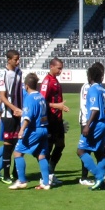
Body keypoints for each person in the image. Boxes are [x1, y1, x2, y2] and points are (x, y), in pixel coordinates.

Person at [9, 73, 52, 190]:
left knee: (17, 153)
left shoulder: (29, 98)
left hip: (33, 130)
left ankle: (22, 181)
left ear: (26, 86)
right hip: (43, 129)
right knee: (41, 155)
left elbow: (28, 117)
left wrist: (22, 130)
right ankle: (46, 183)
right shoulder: (41, 97)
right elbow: (37, 113)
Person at [76, 62, 105, 191]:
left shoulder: (92, 89)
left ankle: (98, 176)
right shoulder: (104, 90)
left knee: (80, 151)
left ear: (90, 76)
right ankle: (101, 181)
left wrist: (87, 125)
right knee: (99, 152)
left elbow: (95, 109)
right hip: (104, 124)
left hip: (95, 124)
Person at [40, 58, 70, 187]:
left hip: (57, 119)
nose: (60, 71)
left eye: (61, 68)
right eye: (58, 68)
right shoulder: (47, 81)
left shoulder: (55, 80)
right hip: (50, 120)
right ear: (51, 66)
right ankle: (45, 176)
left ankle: (50, 172)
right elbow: (41, 101)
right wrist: (56, 106)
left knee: (60, 145)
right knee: (49, 147)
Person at [0, 49, 23, 184]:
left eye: (18, 59)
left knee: (19, 143)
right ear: (8, 60)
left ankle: (15, 171)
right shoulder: (3, 74)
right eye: (15, 59)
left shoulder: (19, 72)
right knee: (8, 144)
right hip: (8, 114)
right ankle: (5, 174)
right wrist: (14, 109)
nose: (18, 61)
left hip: (18, 113)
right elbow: (2, 96)